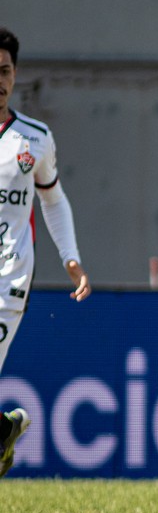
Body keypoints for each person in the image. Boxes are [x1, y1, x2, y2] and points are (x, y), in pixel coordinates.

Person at [0, 27, 91, 478]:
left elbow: (53, 200)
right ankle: (4, 430)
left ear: (15, 74)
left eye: (5, 71)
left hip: (9, 277)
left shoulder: (34, 139)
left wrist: (70, 257)